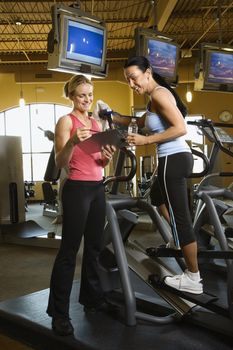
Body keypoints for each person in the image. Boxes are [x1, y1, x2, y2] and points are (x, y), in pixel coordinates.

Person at [122, 56, 203, 295]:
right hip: (176, 159)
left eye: (133, 77)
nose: (131, 83)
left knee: (180, 218)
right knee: (157, 199)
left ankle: (193, 277)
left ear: (148, 72)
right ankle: (178, 241)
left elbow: (180, 127)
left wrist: (146, 140)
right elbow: (138, 121)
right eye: (127, 80)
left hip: (172, 159)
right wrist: (112, 115)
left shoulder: (158, 94)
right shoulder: (154, 97)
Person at [46, 74, 116, 336]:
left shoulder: (96, 123)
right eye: (81, 95)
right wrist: (74, 141)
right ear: (72, 97)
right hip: (76, 190)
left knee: (95, 248)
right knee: (69, 251)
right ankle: (59, 313)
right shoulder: (66, 121)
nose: (87, 99)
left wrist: (106, 156)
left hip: (97, 188)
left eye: (90, 94)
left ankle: (92, 298)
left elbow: (99, 162)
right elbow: (61, 161)